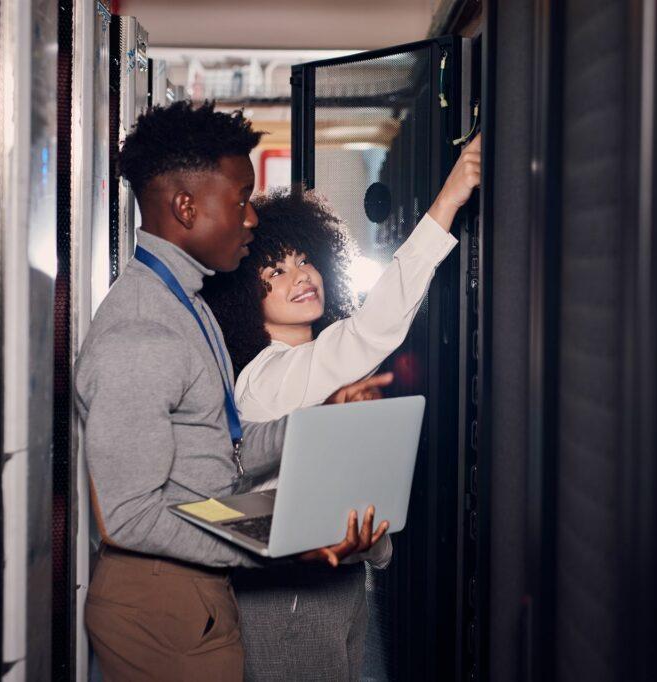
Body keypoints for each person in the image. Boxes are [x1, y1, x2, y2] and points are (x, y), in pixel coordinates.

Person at [74, 101, 387, 682]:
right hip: (164, 605)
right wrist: (274, 547)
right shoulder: (143, 330)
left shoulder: (185, 303)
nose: (250, 219)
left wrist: (317, 421)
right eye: (240, 198)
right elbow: (130, 517)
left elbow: (223, 449)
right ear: (186, 206)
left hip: (195, 592)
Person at [203, 135, 481, 680]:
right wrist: (448, 199)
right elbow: (372, 329)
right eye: (276, 272)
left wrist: (373, 551)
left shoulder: (322, 371)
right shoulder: (266, 379)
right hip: (289, 602)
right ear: (244, 299)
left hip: (342, 584)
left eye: (304, 260)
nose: (301, 276)